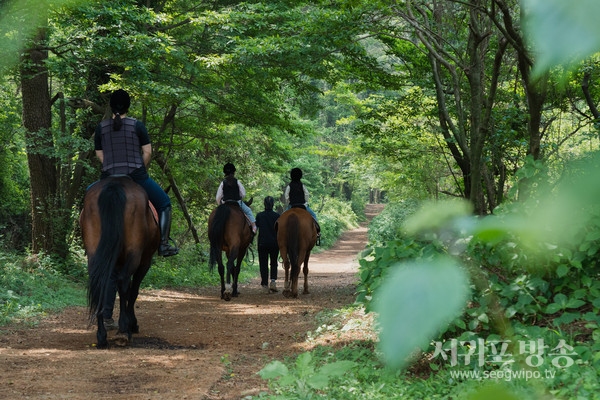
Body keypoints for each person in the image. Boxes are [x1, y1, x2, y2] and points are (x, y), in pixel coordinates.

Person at [94, 89, 179, 328]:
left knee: (88, 201)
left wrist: (112, 167)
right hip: (136, 176)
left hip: (108, 176)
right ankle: (163, 243)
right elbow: (148, 152)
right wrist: (137, 170)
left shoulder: (101, 128)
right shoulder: (137, 125)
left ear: (111, 107)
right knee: (164, 203)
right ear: (128, 106)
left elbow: (100, 154)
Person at [215, 162, 257, 233]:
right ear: (234, 172)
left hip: (226, 203)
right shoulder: (237, 181)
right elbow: (243, 194)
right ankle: (253, 226)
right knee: (248, 211)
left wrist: (220, 203)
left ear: (225, 173)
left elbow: (218, 197)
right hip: (237, 202)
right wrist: (238, 197)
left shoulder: (223, 183)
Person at [284, 167, 320, 240]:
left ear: (291, 176)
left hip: (292, 206)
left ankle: (279, 234)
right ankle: (317, 232)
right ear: (300, 176)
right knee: (313, 215)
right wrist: (305, 202)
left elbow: (286, 196)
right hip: (302, 206)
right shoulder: (302, 185)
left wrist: (289, 203)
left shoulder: (289, 186)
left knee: (282, 217)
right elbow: (306, 194)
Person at [255, 196, 280, 293]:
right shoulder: (277, 216)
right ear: (273, 204)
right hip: (274, 243)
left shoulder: (259, 215)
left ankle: (264, 284)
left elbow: (255, 229)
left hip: (262, 243)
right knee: (274, 262)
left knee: (263, 263)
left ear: (264, 204)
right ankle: (273, 282)